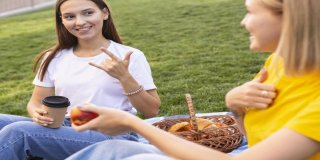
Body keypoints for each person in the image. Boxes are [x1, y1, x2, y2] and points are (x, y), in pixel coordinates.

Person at [66, 0, 320, 159]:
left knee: (117, 151)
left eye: (249, 11)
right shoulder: (279, 63)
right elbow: (254, 136)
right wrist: (235, 105)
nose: (243, 22)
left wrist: (131, 122)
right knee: (117, 151)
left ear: (291, 18)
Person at [0, 0, 160, 159]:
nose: (80, 22)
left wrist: (125, 77)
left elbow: (151, 110)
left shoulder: (129, 56)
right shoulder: (54, 57)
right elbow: (36, 102)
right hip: (66, 125)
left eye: (88, 13)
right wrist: (37, 113)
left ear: (104, 13)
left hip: (114, 133)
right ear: (61, 20)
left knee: (18, 133)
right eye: (69, 16)